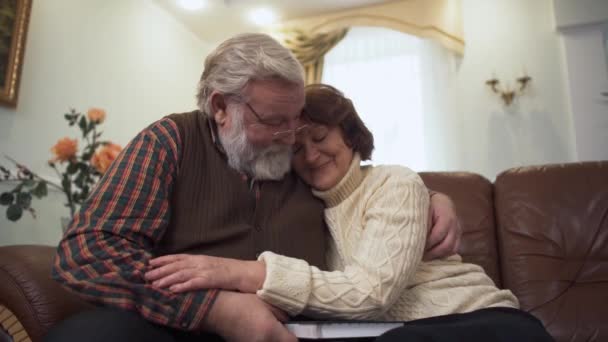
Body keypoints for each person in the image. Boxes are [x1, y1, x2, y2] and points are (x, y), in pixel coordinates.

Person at [46, 34, 461, 342]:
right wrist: (214, 309)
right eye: (274, 121)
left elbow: (359, 188)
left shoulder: (300, 161)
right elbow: (88, 254)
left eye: (296, 118)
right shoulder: (171, 141)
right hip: (182, 327)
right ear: (221, 108)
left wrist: (431, 196)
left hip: (297, 332)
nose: (291, 136)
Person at [146, 84, 554, 341]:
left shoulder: (395, 182)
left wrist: (239, 271)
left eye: (321, 137)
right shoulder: (302, 205)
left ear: (350, 133)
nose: (310, 154)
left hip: (479, 322)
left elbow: (372, 293)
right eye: (296, 149)